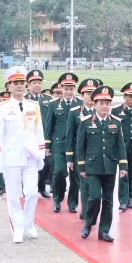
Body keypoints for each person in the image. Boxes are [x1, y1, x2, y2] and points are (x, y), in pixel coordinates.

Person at [0, 67, 46, 243]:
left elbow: (39, 131)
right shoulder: (2, 108)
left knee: (31, 192)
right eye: (15, 83)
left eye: (22, 83)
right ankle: (17, 227)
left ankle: (28, 223)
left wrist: (41, 154)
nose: (19, 86)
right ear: (9, 86)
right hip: (11, 157)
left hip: (30, 156)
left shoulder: (34, 106)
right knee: (14, 195)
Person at [76, 85, 128, 241]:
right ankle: (88, 223)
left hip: (110, 167)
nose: (105, 106)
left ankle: (104, 230)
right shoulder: (85, 122)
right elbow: (80, 146)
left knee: (108, 199)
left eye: (107, 103)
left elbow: (120, 146)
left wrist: (123, 166)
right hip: (92, 167)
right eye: (101, 103)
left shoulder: (116, 122)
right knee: (95, 196)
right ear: (95, 104)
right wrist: (82, 167)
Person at [45, 72, 82, 213]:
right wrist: (48, 145)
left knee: (75, 175)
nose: (68, 91)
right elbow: (49, 125)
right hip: (59, 144)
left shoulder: (80, 104)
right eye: (66, 88)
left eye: (71, 88)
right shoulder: (54, 105)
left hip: (75, 145)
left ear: (74, 88)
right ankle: (57, 198)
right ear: (61, 88)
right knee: (59, 171)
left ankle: (72, 202)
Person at [66, 79, 99, 221]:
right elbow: (69, 136)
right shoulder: (74, 112)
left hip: (96, 156)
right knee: (84, 185)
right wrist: (69, 158)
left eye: (92, 93)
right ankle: (86, 213)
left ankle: (89, 211)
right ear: (82, 95)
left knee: (95, 187)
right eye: (87, 93)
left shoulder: (101, 112)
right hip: (80, 155)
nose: (90, 96)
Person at [113, 82, 132, 211]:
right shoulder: (117, 111)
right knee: (123, 173)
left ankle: (130, 198)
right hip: (122, 148)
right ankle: (122, 200)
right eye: (130, 96)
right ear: (124, 97)